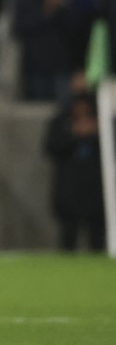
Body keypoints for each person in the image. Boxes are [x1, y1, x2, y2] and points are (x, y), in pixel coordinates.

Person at [44, 90, 106, 251]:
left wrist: (94, 134)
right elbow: (51, 148)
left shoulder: (104, 124)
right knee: (68, 235)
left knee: (97, 235)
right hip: (69, 189)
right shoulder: (61, 123)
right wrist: (76, 135)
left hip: (96, 189)